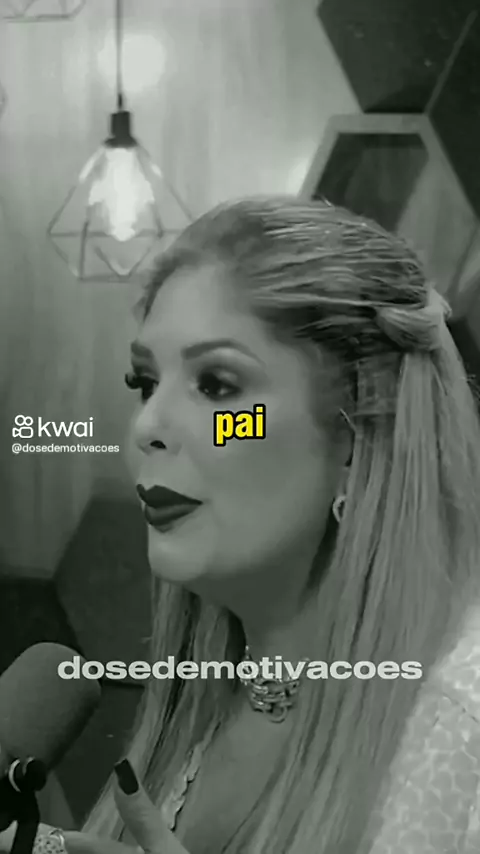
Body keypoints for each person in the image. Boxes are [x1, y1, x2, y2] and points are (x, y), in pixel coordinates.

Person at [6, 197, 480, 854]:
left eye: (218, 386)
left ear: (357, 438)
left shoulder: (462, 725)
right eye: (146, 382)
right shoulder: (202, 695)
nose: (147, 426)